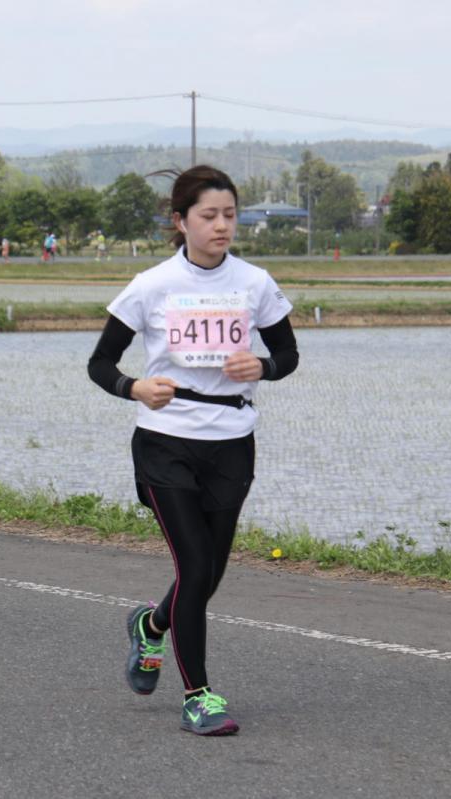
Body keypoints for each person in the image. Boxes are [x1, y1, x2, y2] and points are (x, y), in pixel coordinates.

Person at [87, 165, 299, 735]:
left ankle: (151, 626)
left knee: (208, 574)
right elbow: (99, 363)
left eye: (230, 214)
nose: (222, 225)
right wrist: (134, 387)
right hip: (166, 441)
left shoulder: (255, 283)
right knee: (195, 565)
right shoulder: (151, 285)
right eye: (209, 216)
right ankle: (199, 697)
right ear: (181, 221)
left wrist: (263, 367)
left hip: (232, 442)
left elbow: (288, 356)